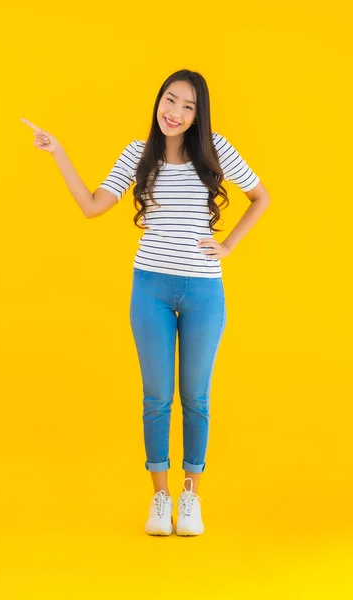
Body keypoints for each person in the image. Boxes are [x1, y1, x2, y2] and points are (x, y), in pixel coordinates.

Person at [21, 68, 271, 537]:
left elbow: (260, 197)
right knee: (157, 398)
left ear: (199, 115)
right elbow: (93, 205)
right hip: (150, 288)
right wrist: (59, 154)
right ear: (158, 101)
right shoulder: (138, 155)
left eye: (188, 106)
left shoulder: (216, 151)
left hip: (203, 290)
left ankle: (191, 497)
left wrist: (230, 245)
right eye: (169, 100)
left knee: (196, 398)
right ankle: (160, 499)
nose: (174, 112)